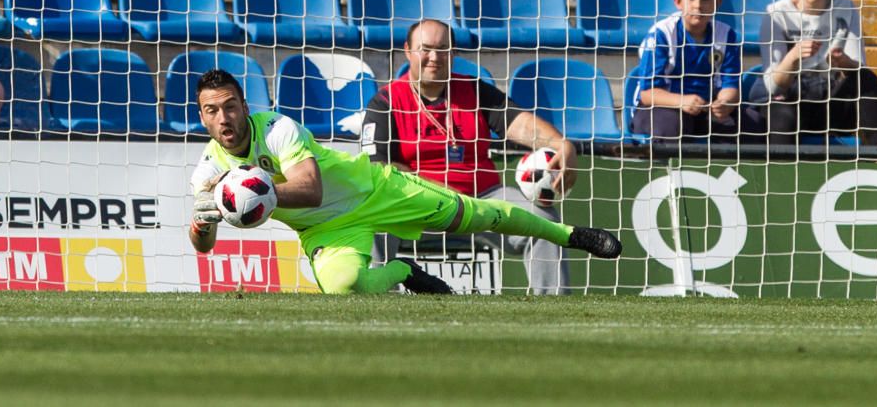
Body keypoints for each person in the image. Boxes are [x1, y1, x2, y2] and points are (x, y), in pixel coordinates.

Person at [188, 69, 621, 295]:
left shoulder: (279, 128)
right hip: (325, 229)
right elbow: (204, 247)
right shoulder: (209, 172)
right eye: (212, 111)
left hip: (377, 189)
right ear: (202, 116)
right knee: (346, 288)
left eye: (230, 106)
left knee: (481, 215)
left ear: (245, 105)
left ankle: (571, 234)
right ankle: (403, 271)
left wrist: (258, 193)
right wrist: (203, 223)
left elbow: (311, 189)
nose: (223, 118)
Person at [362, 19, 575, 295]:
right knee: (372, 218)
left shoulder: (475, 90)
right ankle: (378, 305)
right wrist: (431, 191)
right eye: (425, 49)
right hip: (419, 204)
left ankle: (553, 313)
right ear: (408, 50)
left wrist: (562, 144)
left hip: (482, 200)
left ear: (453, 53)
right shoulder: (386, 100)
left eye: (443, 49)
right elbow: (377, 165)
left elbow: (520, 124)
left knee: (545, 222)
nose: (434, 57)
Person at [752, 0, 877, 146]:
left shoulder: (846, 8)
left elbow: (858, 65)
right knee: (781, 111)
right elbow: (772, 85)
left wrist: (843, 62)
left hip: (830, 103)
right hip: (791, 102)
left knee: (866, 78)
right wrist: (793, 57)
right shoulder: (776, 14)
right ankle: (782, 171)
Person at [631, 0, 764, 143]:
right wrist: (682, 101)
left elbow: (731, 87)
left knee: (753, 122)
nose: (698, 5)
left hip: (704, 111)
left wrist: (724, 103)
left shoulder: (726, 35)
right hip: (660, 109)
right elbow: (647, 94)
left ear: (718, 2)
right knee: (674, 124)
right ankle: (669, 171)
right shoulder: (661, 34)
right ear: (677, 1)